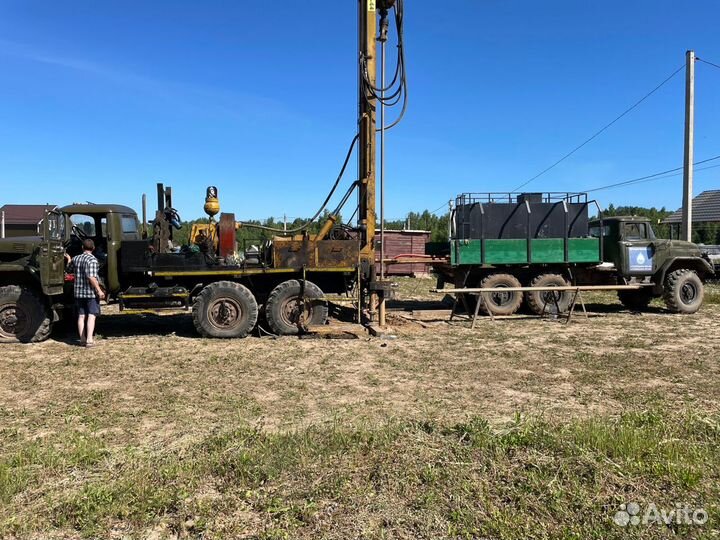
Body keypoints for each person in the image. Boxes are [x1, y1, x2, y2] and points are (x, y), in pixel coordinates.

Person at [65, 239, 105, 347]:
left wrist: (69, 259)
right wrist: (99, 290)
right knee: (92, 315)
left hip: (78, 292)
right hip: (90, 293)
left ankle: (82, 339)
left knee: (81, 316)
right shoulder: (92, 260)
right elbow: (91, 277)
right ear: (93, 248)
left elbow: (68, 269)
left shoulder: (76, 258)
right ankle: (89, 339)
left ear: (82, 248)